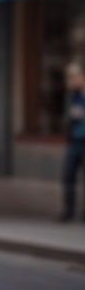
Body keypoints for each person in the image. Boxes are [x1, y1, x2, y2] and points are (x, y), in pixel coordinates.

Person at [59, 62, 85, 221]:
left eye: (74, 77)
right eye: (70, 78)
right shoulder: (71, 96)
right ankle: (68, 212)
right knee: (68, 176)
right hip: (73, 141)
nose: (72, 81)